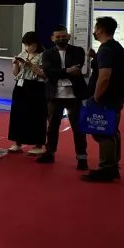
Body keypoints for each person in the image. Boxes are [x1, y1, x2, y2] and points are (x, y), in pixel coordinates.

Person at [83, 16, 124, 182]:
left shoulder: (106, 49)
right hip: (116, 96)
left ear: (101, 29)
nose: (94, 31)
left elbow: (105, 76)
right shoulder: (116, 48)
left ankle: (107, 168)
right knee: (112, 130)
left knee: (102, 132)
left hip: (105, 99)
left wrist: (96, 98)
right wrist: (95, 58)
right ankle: (113, 165)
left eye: (96, 28)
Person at [38, 25, 89, 167]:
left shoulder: (78, 51)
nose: (61, 39)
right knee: (52, 127)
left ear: (69, 36)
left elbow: (76, 69)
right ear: (52, 38)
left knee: (78, 128)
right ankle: (50, 153)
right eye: (58, 37)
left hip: (75, 95)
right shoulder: (47, 53)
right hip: (54, 95)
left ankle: (82, 157)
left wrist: (59, 72)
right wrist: (67, 70)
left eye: (64, 36)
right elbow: (49, 72)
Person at [6, 31, 47, 153]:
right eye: (26, 45)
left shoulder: (43, 55)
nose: (28, 47)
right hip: (20, 86)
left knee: (36, 115)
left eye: (31, 45)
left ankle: (38, 145)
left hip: (36, 86)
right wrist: (15, 64)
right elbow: (15, 73)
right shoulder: (22, 54)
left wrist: (30, 65)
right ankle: (17, 142)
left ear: (37, 44)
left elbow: (44, 74)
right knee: (17, 114)